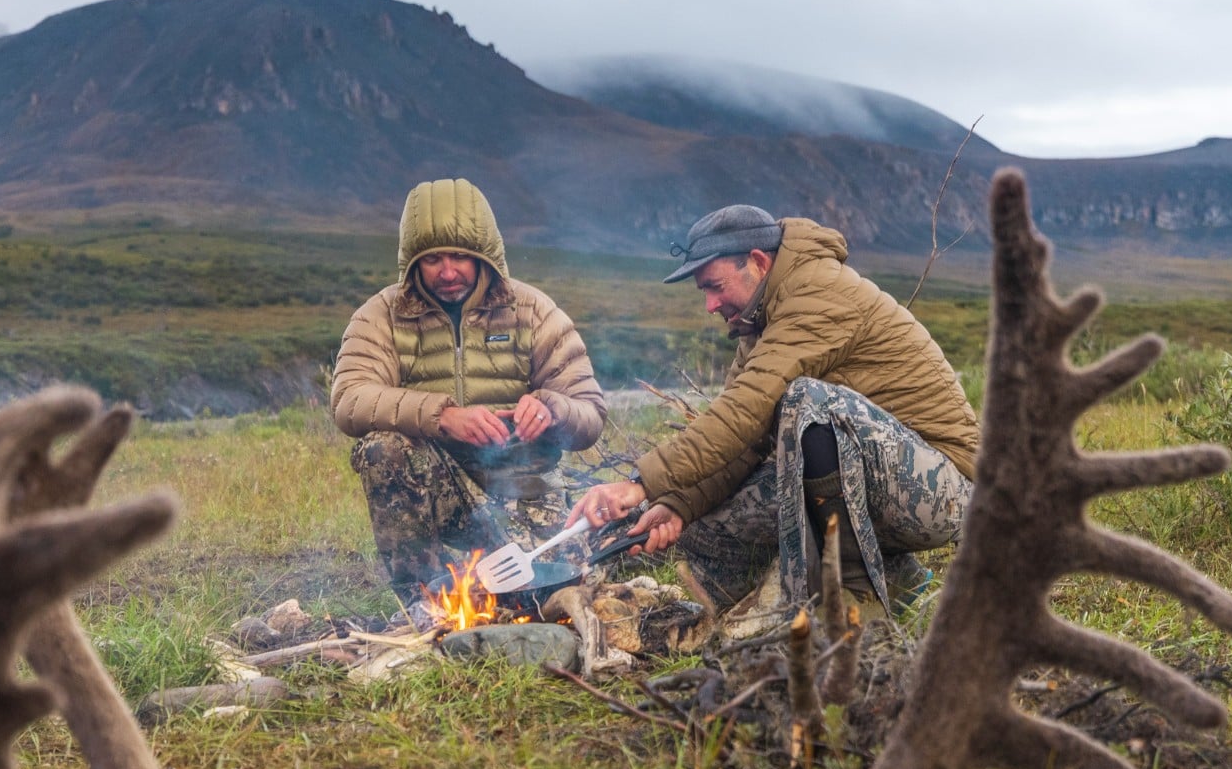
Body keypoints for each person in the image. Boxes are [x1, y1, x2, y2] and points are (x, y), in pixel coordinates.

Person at [567, 203, 977, 624]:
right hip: (874, 481)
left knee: (808, 400)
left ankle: (857, 598)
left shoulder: (819, 292)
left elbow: (743, 410)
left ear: (758, 262)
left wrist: (639, 484)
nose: (710, 305)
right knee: (703, 529)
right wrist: (676, 504)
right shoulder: (758, 322)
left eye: (715, 286)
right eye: (703, 292)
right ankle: (895, 577)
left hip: (941, 492)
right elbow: (741, 442)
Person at [331, 178, 607, 591]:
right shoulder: (380, 315)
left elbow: (590, 413)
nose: (447, 272)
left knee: (550, 590)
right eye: (432, 259)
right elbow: (350, 400)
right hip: (440, 491)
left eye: (461, 255)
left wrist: (553, 408)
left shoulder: (532, 310)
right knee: (381, 448)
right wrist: (444, 417)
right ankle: (423, 599)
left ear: (486, 255)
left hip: (524, 491)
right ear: (411, 262)